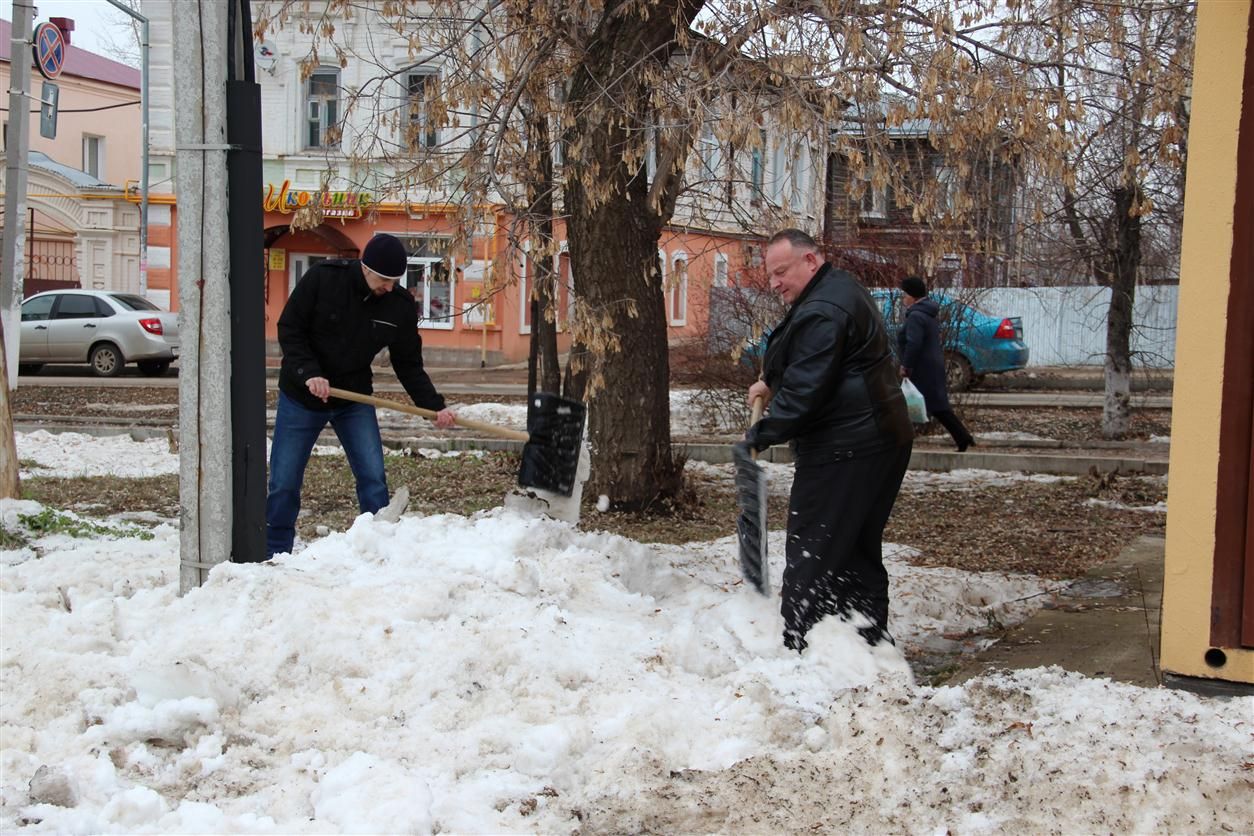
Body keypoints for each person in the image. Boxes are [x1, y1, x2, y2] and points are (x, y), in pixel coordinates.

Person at [743, 229, 914, 651]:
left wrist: (758, 436)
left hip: (847, 447)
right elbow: (819, 361)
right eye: (771, 275)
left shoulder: (822, 308)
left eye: (782, 271)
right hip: (877, 438)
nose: (776, 282)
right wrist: (769, 379)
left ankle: (803, 651)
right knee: (855, 549)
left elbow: (806, 392)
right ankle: (866, 645)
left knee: (812, 554)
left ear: (811, 262)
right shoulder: (834, 291)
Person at [265, 233, 456, 558]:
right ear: (365, 268)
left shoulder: (398, 306)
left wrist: (433, 406)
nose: (390, 287)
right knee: (284, 481)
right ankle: (274, 552)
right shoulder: (324, 280)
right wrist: (310, 373)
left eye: (395, 280)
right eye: (384, 279)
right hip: (302, 397)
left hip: (353, 399)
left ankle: (378, 549)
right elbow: (290, 329)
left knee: (373, 479)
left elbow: (408, 363)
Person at [897, 275, 975, 452]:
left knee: (909, 405)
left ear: (913, 296)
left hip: (922, 367)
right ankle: (963, 438)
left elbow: (913, 343)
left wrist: (906, 366)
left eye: (905, 294)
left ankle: (898, 443)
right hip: (931, 365)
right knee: (938, 406)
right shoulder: (927, 313)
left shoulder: (916, 316)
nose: (903, 298)